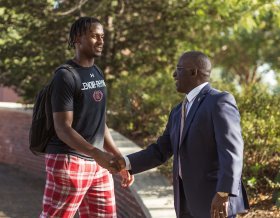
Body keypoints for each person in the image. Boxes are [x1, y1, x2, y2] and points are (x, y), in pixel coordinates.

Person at [112, 51, 249, 218]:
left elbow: (232, 150)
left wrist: (223, 193)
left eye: (178, 69)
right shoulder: (177, 111)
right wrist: (125, 163)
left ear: (193, 72)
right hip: (184, 202)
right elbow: (160, 151)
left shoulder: (219, 101)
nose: (174, 74)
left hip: (214, 201)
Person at [40, 17, 133, 218]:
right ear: (77, 39)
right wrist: (95, 152)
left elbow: (99, 122)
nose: (100, 41)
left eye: (102, 36)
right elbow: (63, 128)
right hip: (69, 160)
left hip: (97, 163)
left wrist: (117, 156)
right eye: (94, 36)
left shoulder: (96, 72)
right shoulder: (65, 76)